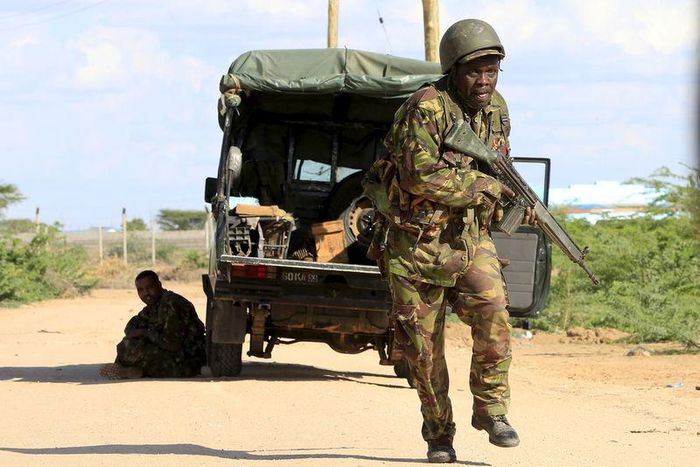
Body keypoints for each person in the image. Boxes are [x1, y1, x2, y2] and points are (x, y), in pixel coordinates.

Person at [365, 19, 536, 463]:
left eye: (492, 70)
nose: (484, 81)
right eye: (474, 71)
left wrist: (514, 199)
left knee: (494, 312)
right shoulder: (426, 107)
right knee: (423, 352)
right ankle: (440, 435)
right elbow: (420, 176)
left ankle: (491, 409)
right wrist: (487, 189)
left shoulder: (497, 109)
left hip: (468, 238)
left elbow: (499, 167)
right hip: (415, 245)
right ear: (454, 69)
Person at [100, 270, 206, 379]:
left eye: (149, 287)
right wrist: (141, 334)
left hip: (188, 360)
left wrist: (146, 333)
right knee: (127, 344)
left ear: (159, 285)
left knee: (132, 347)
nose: (146, 293)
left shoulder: (171, 304)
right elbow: (132, 325)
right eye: (140, 290)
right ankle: (130, 370)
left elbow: (172, 344)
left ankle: (133, 370)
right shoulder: (154, 305)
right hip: (174, 354)